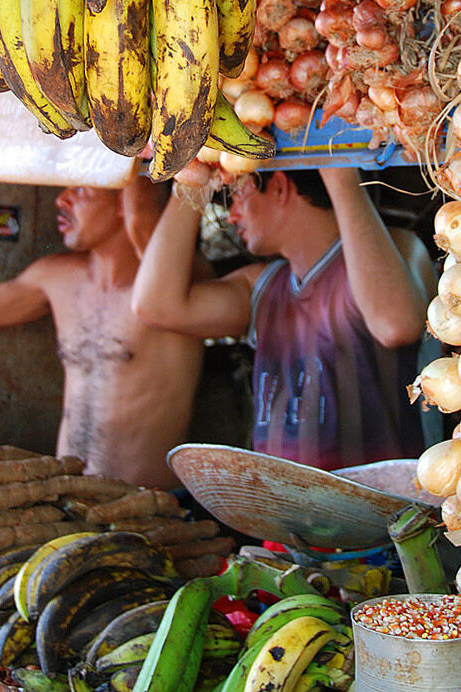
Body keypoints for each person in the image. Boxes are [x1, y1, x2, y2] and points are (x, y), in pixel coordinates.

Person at [0, 177, 204, 489]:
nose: (60, 199)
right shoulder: (56, 277)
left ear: (127, 202)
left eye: (82, 189)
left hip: (154, 508)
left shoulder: (182, 287)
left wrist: (141, 193)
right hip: (71, 502)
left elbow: (148, 228)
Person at [132, 164, 436, 471]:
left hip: (383, 510)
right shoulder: (264, 288)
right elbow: (155, 305)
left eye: (238, 194)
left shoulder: (398, 249)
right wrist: (193, 182)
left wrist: (339, 175)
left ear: (279, 186)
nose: (232, 215)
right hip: (282, 510)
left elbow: (394, 326)